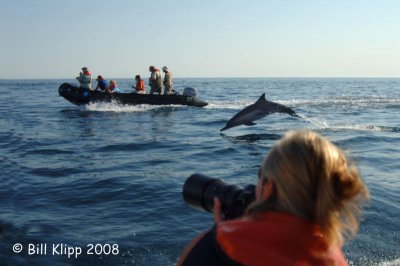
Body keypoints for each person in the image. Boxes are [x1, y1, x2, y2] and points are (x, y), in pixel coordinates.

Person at [178, 130, 370, 266]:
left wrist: (222, 232)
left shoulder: (219, 244)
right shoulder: (334, 259)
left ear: (269, 187)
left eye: (261, 174)